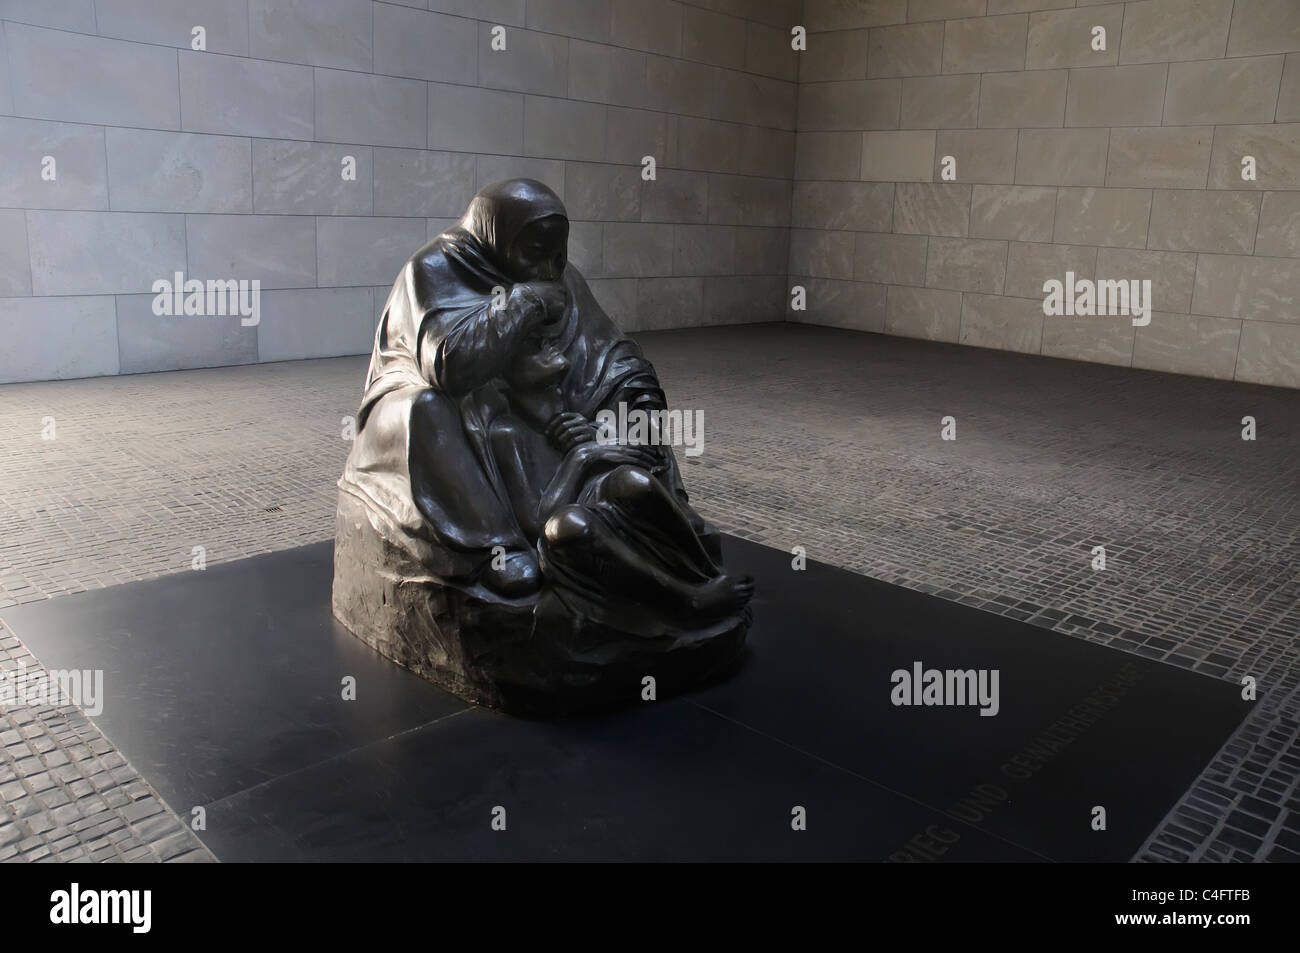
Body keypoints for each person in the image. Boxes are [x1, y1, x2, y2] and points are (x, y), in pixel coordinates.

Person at [340, 179, 729, 610]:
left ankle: (656, 517)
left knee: (628, 394)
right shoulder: (431, 270)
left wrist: (609, 422)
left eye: (558, 254)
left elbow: (608, 354)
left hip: (534, 410)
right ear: (494, 235)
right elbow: (449, 367)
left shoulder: (558, 275)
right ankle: (495, 547)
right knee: (426, 409)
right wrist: (524, 303)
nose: (549, 270)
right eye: (535, 252)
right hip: (429, 407)